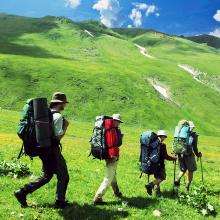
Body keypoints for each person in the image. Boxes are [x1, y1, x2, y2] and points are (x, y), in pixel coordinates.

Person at [14, 92, 70, 209]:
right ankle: (60, 202)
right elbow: (57, 137)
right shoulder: (58, 117)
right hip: (52, 150)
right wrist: (65, 126)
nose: (65, 105)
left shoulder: (46, 114)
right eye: (64, 103)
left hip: (43, 149)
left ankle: (22, 192)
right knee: (64, 176)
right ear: (61, 104)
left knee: (47, 175)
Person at [93, 114, 123, 205]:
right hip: (112, 155)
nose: (118, 123)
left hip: (105, 152)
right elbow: (119, 143)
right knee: (109, 177)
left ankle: (116, 192)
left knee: (112, 173)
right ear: (116, 120)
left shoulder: (104, 126)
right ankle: (97, 198)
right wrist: (121, 137)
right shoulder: (115, 130)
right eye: (118, 121)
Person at [145, 130, 176, 196]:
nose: (164, 138)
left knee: (157, 177)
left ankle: (157, 191)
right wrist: (173, 158)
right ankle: (150, 185)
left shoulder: (152, 144)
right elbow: (165, 156)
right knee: (162, 177)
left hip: (153, 163)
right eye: (164, 137)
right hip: (160, 164)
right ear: (163, 137)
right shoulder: (162, 145)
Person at [174, 121, 202, 191]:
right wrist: (198, 154)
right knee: (191, 170)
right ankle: (187, 186)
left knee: (182, 169)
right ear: (192, 128)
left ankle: (178, 178)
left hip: (179, 153)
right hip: (189, 154)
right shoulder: (193, 135)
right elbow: (195, 147)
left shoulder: (180, 133)